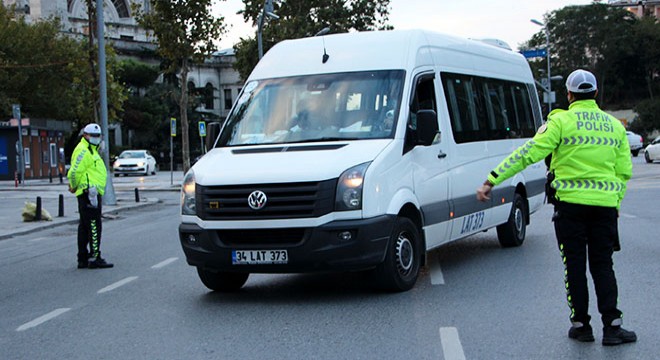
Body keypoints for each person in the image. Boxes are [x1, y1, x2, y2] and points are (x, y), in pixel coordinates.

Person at [476, 69, 636, 346]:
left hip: (570, 207)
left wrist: (492, 179)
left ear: (569, 94)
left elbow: (528, 153)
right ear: (596, 93)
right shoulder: (615, 126)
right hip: (605, 208)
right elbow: (623, 171)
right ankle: (612, 327)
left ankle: (581, 326)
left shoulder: (560, 121)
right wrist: (616, 202)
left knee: (574, 265)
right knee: (603, 266)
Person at [68, 123, 113, 269]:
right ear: (85, 136)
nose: (96, 138)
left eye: (98, 136)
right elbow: (74, 172)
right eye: (93, 136)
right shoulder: (83, 150)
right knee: (94, 225)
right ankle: (94, 257)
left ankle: (82, 257)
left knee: (85, 226)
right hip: (89, 193)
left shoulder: (92, 150)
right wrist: (74, 186)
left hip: (91, 192)